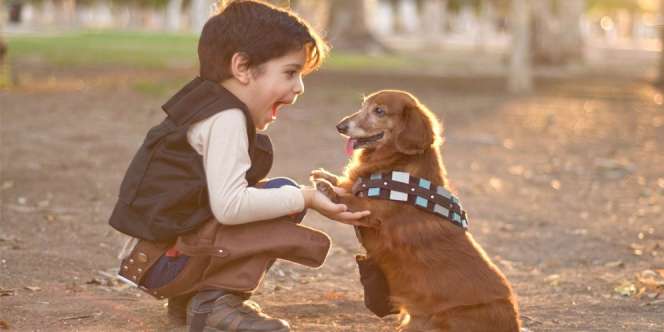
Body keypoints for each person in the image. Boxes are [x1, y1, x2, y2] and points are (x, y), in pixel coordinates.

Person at [108, 1, 370, 331]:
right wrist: (306, 197)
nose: (299, 88)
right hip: (161, 265)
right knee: (284, 199)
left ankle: (191, 302)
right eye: (290, 73)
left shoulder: (205, 104)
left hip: (153, 258)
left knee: (277, 195)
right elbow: (230, 206)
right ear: (242, 67)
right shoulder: (226, 119)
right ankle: (215, 304)